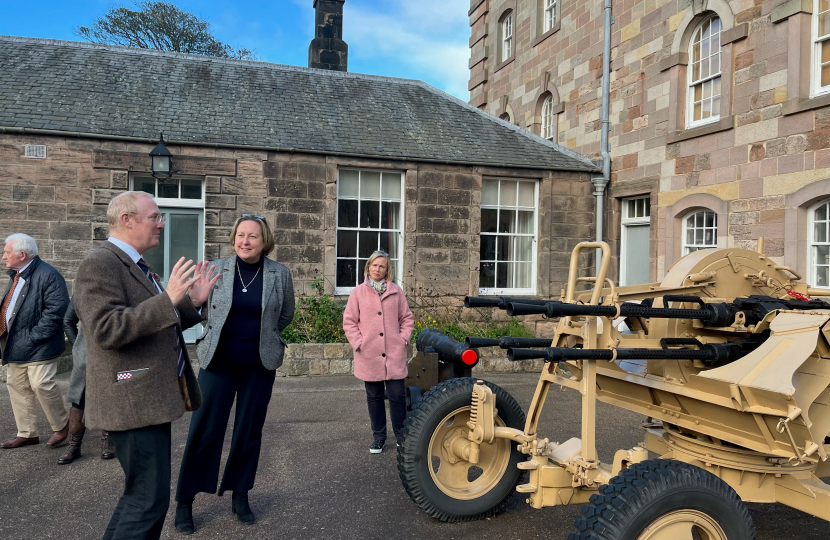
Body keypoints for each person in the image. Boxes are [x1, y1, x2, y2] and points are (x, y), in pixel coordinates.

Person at [74, 191, 219, 540]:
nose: (161, 222)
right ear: (127, 220)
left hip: (146, 401)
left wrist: (188, 303)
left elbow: (153, 325)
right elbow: (107, 329)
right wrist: (167, 299)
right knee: (147, 501)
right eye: (154, 215)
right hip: (131, 400)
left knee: (142, 497)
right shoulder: (100, 262)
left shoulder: (134, 263)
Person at [174, 214, 295, 535]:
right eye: (240, 235)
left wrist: (265, 337)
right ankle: (185, 500)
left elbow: (285, 314)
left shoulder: (279, 274)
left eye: (252, 236)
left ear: (264, 240)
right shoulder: (216, 268)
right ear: (234, 238)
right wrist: (194, 299)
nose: (245, 241)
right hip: (218, 363)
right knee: (204, 431)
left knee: (248, 431)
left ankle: (240, 495)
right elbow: (197, 308)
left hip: (259, 365)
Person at [1, 233, 70, 449]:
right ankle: (27, 433)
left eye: (7, 252)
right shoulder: (17, 275)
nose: (4, 256)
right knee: (16, 385)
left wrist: (33, 338)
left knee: (41, 384)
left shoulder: (49, 275)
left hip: (39, 344)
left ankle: (62, 426)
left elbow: (56, 312)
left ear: (22, 254)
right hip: (14, 344)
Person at [343, 251, 414, 454]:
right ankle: (379, 438)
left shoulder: (396, 291)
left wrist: (403, 339)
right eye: (374, 265)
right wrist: (359, 343)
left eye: (382, 266)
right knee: (374, 397)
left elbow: (407, 318)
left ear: (387, 270)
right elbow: (349, 321)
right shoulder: (358, 292)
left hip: (394, 352)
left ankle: (402, 436)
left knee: (397, 395)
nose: (377, 269)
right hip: (369, 354)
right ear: (368, 267)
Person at [57, 297, 115, 464]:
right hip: (86, 357)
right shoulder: (83, 288)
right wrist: (79, 348)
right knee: (78, 400)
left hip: (112, 355)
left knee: (108, 396)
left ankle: (108, 441)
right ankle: (74, 446)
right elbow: (68, 321)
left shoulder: (115, 284)